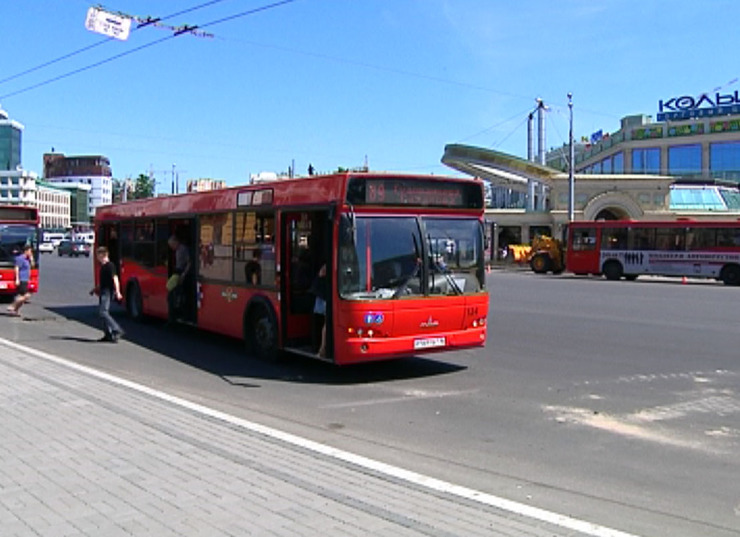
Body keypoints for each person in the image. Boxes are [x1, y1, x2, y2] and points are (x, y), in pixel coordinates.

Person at [90, 246, 124, 342]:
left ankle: (116, 329)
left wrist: (118, 292)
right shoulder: (103, 267)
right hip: (103, 291)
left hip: (108, 292)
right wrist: (94, 289)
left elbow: (115, 279)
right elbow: (103, 282)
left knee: (103, 312)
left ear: (102, 255)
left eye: (97, 255)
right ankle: (108, 335)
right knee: (103, 313)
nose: (96, 258)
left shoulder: (110, 266)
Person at [167, 234, 191, 324]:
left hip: (181, 273)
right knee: (171, 293)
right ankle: (173, 317)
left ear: (176, 242)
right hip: (177, 272)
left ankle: (177, 317)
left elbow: (189, 263)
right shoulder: (177, 250)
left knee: (176, 295)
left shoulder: (183, 249)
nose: (171, 247)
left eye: (171, 245)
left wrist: (184, 275)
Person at [7, 244, 34, 316]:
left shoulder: (27, 259)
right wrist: (17, 279)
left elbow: (33, 266)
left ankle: (15, 311)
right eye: (30, 251)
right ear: (26, 251)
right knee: (26, 295)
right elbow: (16, 268)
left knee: (22, 296)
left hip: (26, 279)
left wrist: (31, 259)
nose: (31, 253)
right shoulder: (20, 258)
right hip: (22, 279)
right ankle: (12, 305)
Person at [311, 263, 328, 357]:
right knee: (326, 324)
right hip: (325, 300)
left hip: (324, 299)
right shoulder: (323, 273)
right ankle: (322, 349)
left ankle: (322, 349)